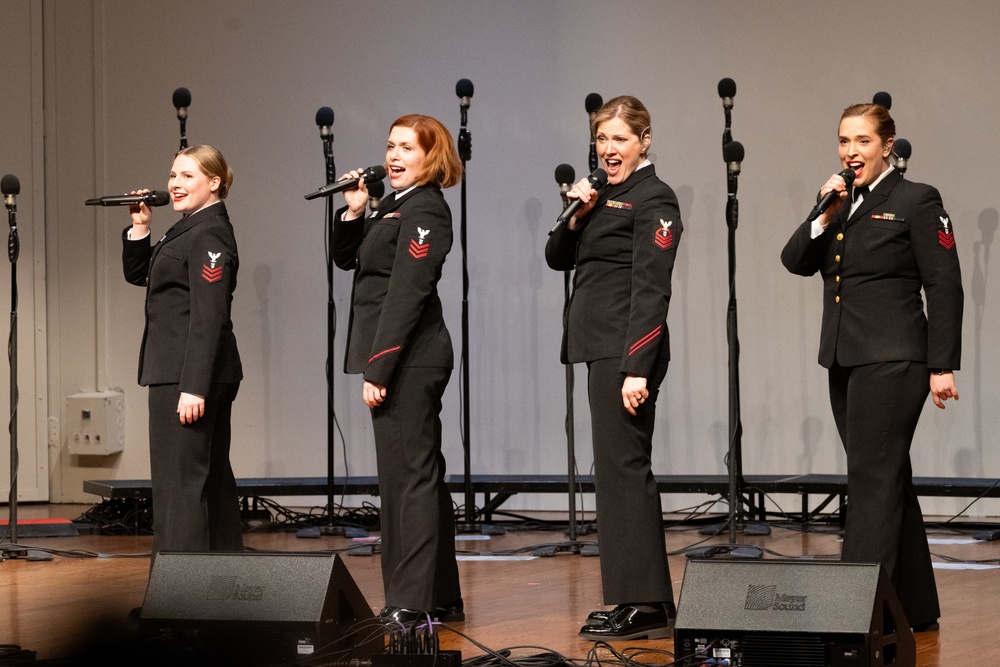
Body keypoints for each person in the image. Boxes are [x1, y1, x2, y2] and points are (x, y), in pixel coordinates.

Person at [781, 103, 963, 632]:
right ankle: (915, 607)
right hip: (845, 358)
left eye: (862, 141)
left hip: (896, 358)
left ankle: (858, 614)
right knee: (887, 477)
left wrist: (942, 364)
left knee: (869, 479)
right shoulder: (841, 204)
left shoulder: (916, 200)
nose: (850, 151)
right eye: (843, 141)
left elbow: (944, 286)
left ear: (888, 145)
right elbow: (795, 259)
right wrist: (823, 208)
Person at [545, 95, 683, 641]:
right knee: (614, 473)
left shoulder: (656, 198)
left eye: (620, 139)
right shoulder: (600, 195)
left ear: (644, 141)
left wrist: (637, 367)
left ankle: (645, 602)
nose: (608, 150)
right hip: (601, 347)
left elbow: (653, 288)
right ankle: (633, 596)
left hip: (628, 351)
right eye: (602, 139)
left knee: (625, 471)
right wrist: (576, 213)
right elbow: (558, 257)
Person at [332, 114, 464, 624]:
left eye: (406, 147)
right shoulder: (393, 205)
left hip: (409, 357)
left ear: (430, 157)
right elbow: (353, 263)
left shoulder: (427, 207)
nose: (393, 155)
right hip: (396, 356)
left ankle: (410, 602)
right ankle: (442, 595)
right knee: (417, 477)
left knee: (408, 481)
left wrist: (379, 367)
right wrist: (355, 212)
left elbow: (407, 293)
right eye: (390, 145)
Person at [122, 144, 244, 558]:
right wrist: (141, 228)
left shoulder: (208, 232)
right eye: (172, 175)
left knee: (181, 489)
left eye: (187, 176)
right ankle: (209, 595)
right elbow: (141, 275)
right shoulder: (189, 227)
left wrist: (194, 386)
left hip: (187, 376)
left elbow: (209, 316)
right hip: (183, 372)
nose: (174, 183)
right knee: (204, 484)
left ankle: (179, 603)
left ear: (214, 183)